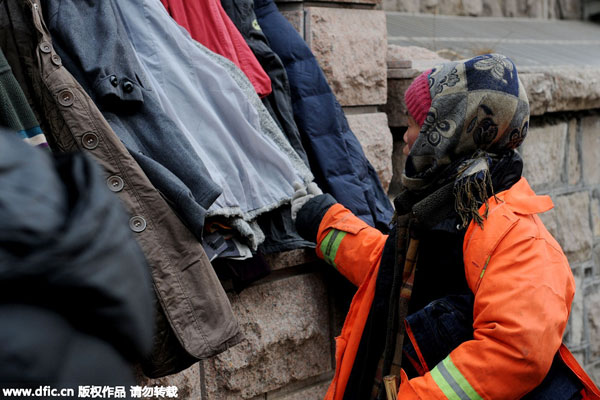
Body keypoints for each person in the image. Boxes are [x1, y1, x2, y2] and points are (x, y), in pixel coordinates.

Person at [292, 54, 600, 400]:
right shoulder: (444, 206)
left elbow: (517, 351)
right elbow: (395, 271)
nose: (406, 137)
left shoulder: (515, 234)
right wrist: (324, 223)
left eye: (416, 124)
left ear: (450, 133)